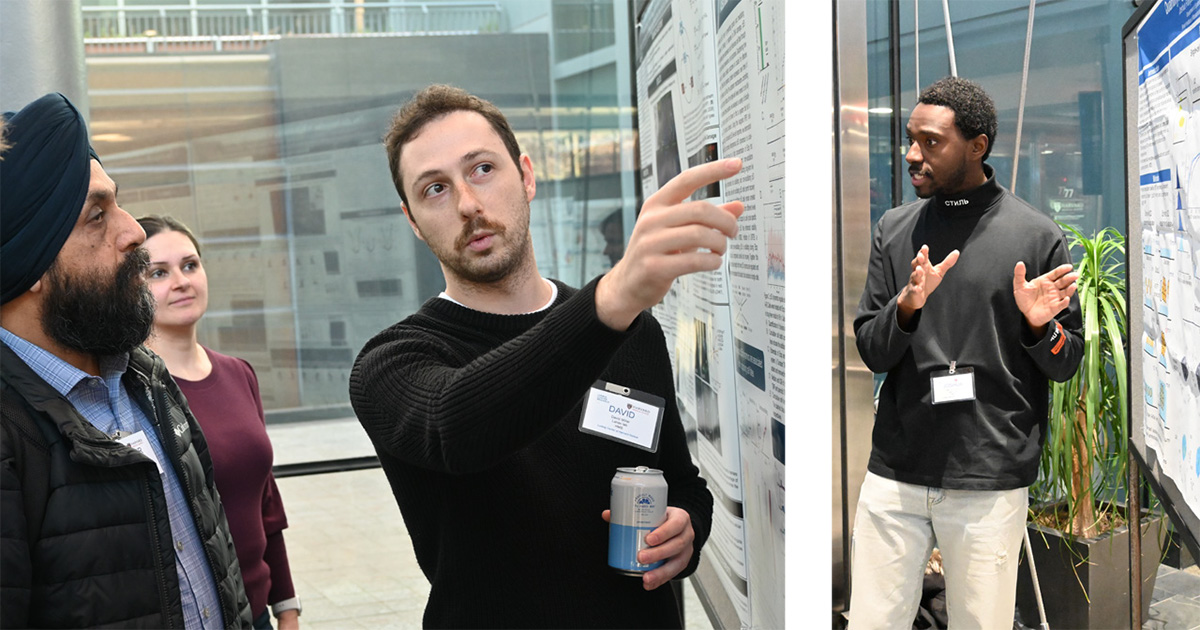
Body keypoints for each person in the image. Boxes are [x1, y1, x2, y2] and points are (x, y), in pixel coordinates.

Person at [348, 84, 740, 628]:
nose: (467, 204)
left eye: (482, 169)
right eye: (435, 188)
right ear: (413, 220)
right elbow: (455, 425)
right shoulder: (391, 363)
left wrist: (688, 528)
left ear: (526, 176)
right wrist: (609, 301)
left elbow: (682, 481)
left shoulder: (631, 332)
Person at [0, 92, 253, 629]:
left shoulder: (145, 377)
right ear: (31, 263)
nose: (134, 230)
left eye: (118, 202)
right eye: (97, 215)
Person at [849, 76, 1085, 629]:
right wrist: (907, 307)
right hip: (896, 473)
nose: (913, 155)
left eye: (932, 142)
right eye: (911, 139)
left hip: (988, 476)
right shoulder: (895, 229)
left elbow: (1066, 359)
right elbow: (871, 349)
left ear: (977, 146)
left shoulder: (1034, 236)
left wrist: (1037, 327)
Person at [139, 215, 301, 630]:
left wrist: (286, 606)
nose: (181, 281)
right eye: (159, 273)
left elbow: (267, 504)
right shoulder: (130, 391)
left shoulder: (238, 374)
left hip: (259, 614)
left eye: (190, 265)